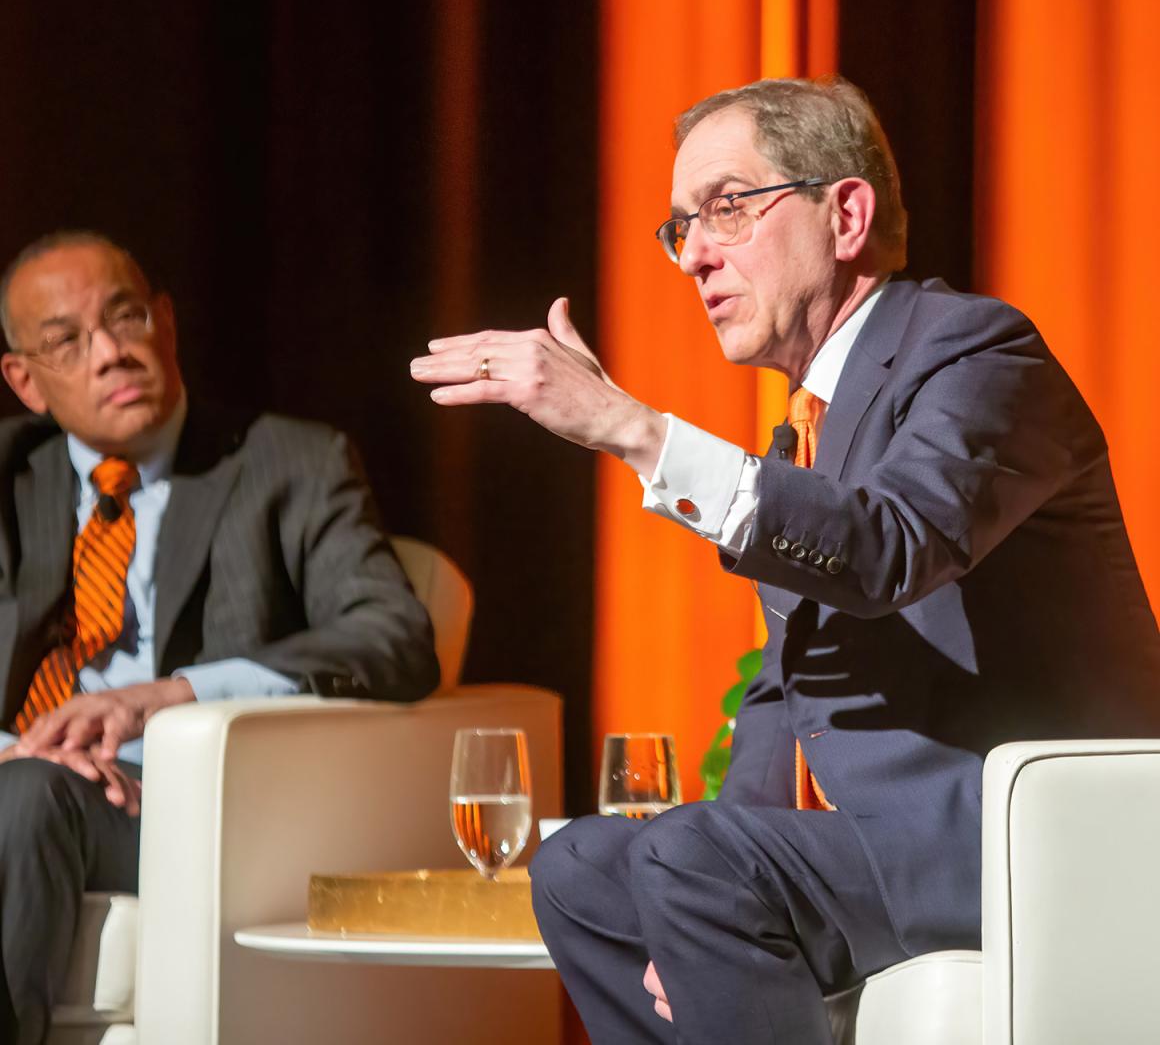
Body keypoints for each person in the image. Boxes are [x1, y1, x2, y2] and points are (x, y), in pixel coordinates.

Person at [411, 76, 1160, 1044]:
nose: (693, 255)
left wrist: (633, 430)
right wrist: (681, 907)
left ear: (843, 212)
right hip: (885, 849)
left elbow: (889, 546)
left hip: (1019, 840)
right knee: (582, 869)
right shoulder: (799, 435)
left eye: (725, 206)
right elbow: (784, 690)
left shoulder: (978, 354)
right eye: (679, 225)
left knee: (685, 854)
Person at [0, 231, 439, 1045]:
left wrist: (171, 698)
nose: (109, 355)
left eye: (125, 319)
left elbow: (396, 636)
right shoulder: (9, 475)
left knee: (25, 802)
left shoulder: (290, 462)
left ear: (164, 324)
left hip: (175, 809)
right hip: (22, 771)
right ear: (24, 380)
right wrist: (22, 749)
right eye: (67, 340)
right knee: (22, 789)